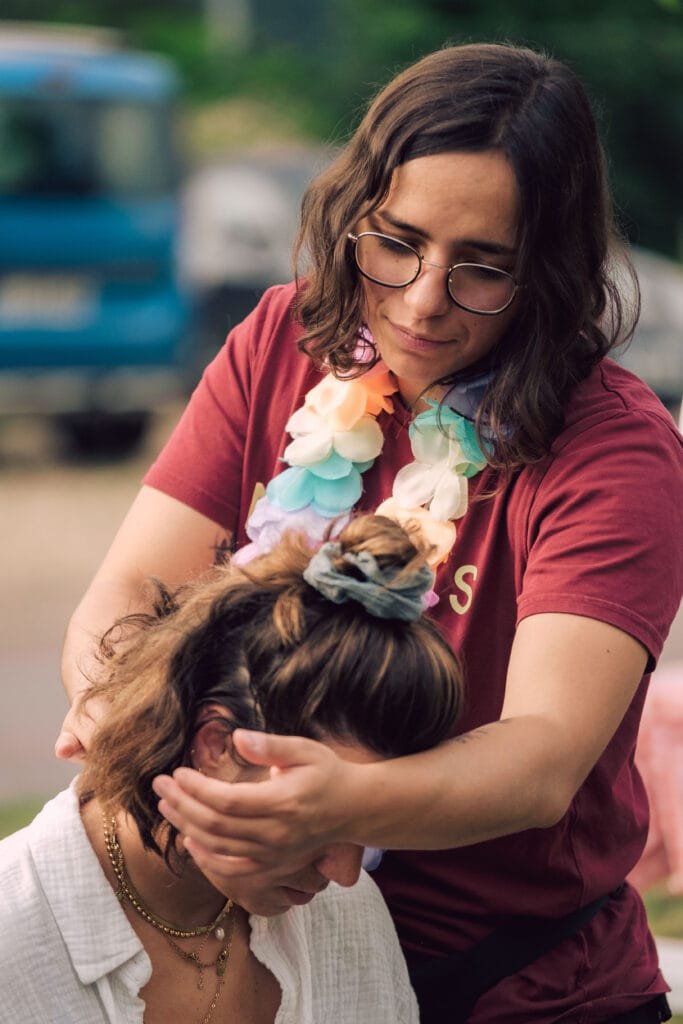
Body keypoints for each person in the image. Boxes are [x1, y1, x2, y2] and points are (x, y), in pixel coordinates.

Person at [56, 41, 683, 1023]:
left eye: (483, 268)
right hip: (270, 954)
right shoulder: (283, 337)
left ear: (551, 272)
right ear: (349, 215)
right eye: (394, 242)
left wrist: (323, 811)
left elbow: (540, 761)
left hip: (515, 990)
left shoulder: (610, 448)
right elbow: (129, 598)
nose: (423, 299)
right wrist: (140, 745)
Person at [1, 514, 461, 1023]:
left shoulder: (348, 920)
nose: (348, 874)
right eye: (323, 814)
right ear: (217, 746)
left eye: (373, 817)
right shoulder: (13, 938)